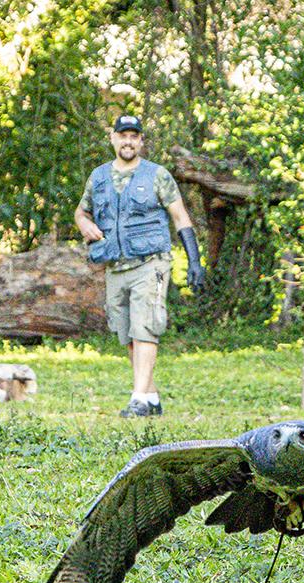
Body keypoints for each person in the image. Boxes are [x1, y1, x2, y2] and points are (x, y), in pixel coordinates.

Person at [76, 114, 205, 417]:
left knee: (146, 327)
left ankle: (138, 400)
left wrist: (195, 261)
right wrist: (84, 224)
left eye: (134, 136)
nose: (128, 141)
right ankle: (152, 397)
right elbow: (81, 212)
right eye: (123, 135)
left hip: (151, 263)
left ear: (141, 141)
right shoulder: (98, 177)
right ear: (113, 138)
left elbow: (180, 217)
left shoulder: (157, 175)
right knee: (127, 334)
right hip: (115, 266)